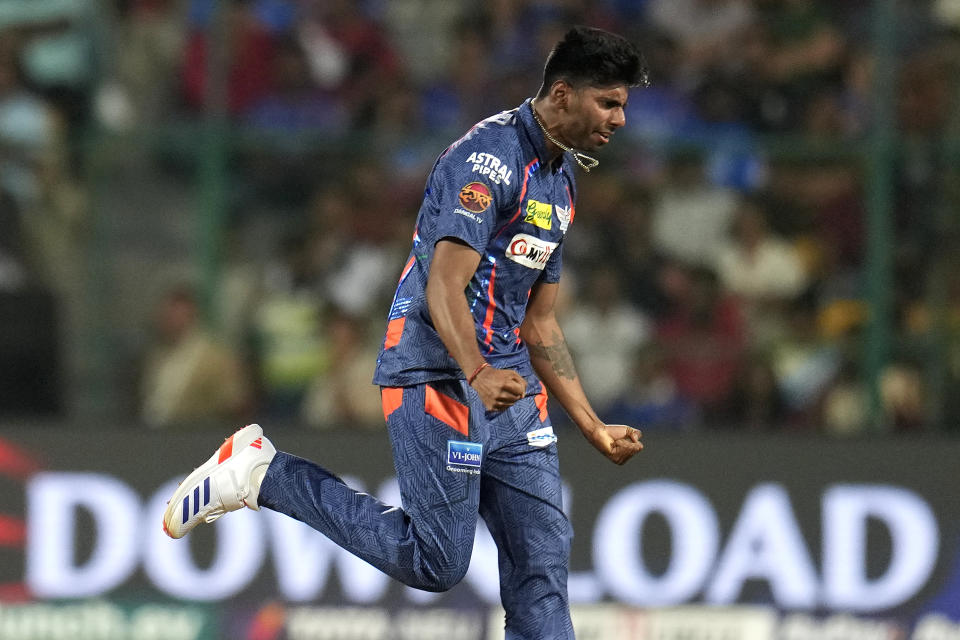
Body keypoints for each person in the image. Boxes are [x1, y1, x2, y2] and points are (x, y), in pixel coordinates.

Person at [163, 26, 647, 639]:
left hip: (511, 388)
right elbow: (444, 286)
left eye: (623, 104)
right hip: (439, 373)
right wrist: (477, 371)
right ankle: (264, 474)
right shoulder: (485, 161)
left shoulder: (562, 179)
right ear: (561, 94)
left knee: (542, 567)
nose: (620, 118)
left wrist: (591, 423)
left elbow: (541, 319)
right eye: (609, 102)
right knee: (437, 562)